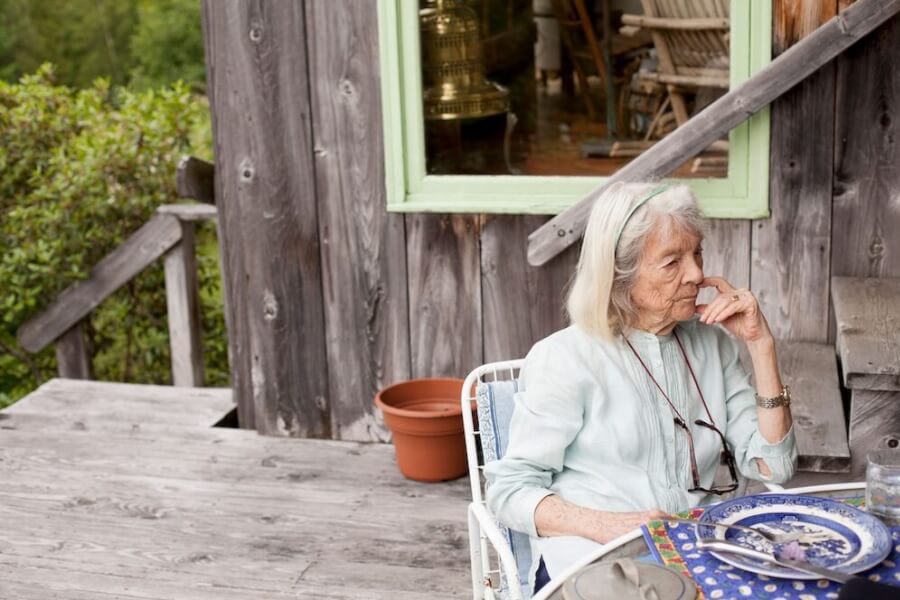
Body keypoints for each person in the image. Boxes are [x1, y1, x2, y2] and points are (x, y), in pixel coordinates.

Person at [484, 182, 797, 593]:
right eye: (672, 262)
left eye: (697, 252)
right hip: (600, 560)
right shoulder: (565, 358)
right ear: (619, 275)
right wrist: (611, 526)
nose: (697, 274)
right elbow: (509, 491)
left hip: (696, 553)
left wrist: (760, 345)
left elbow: (774, 466)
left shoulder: (714, 345)